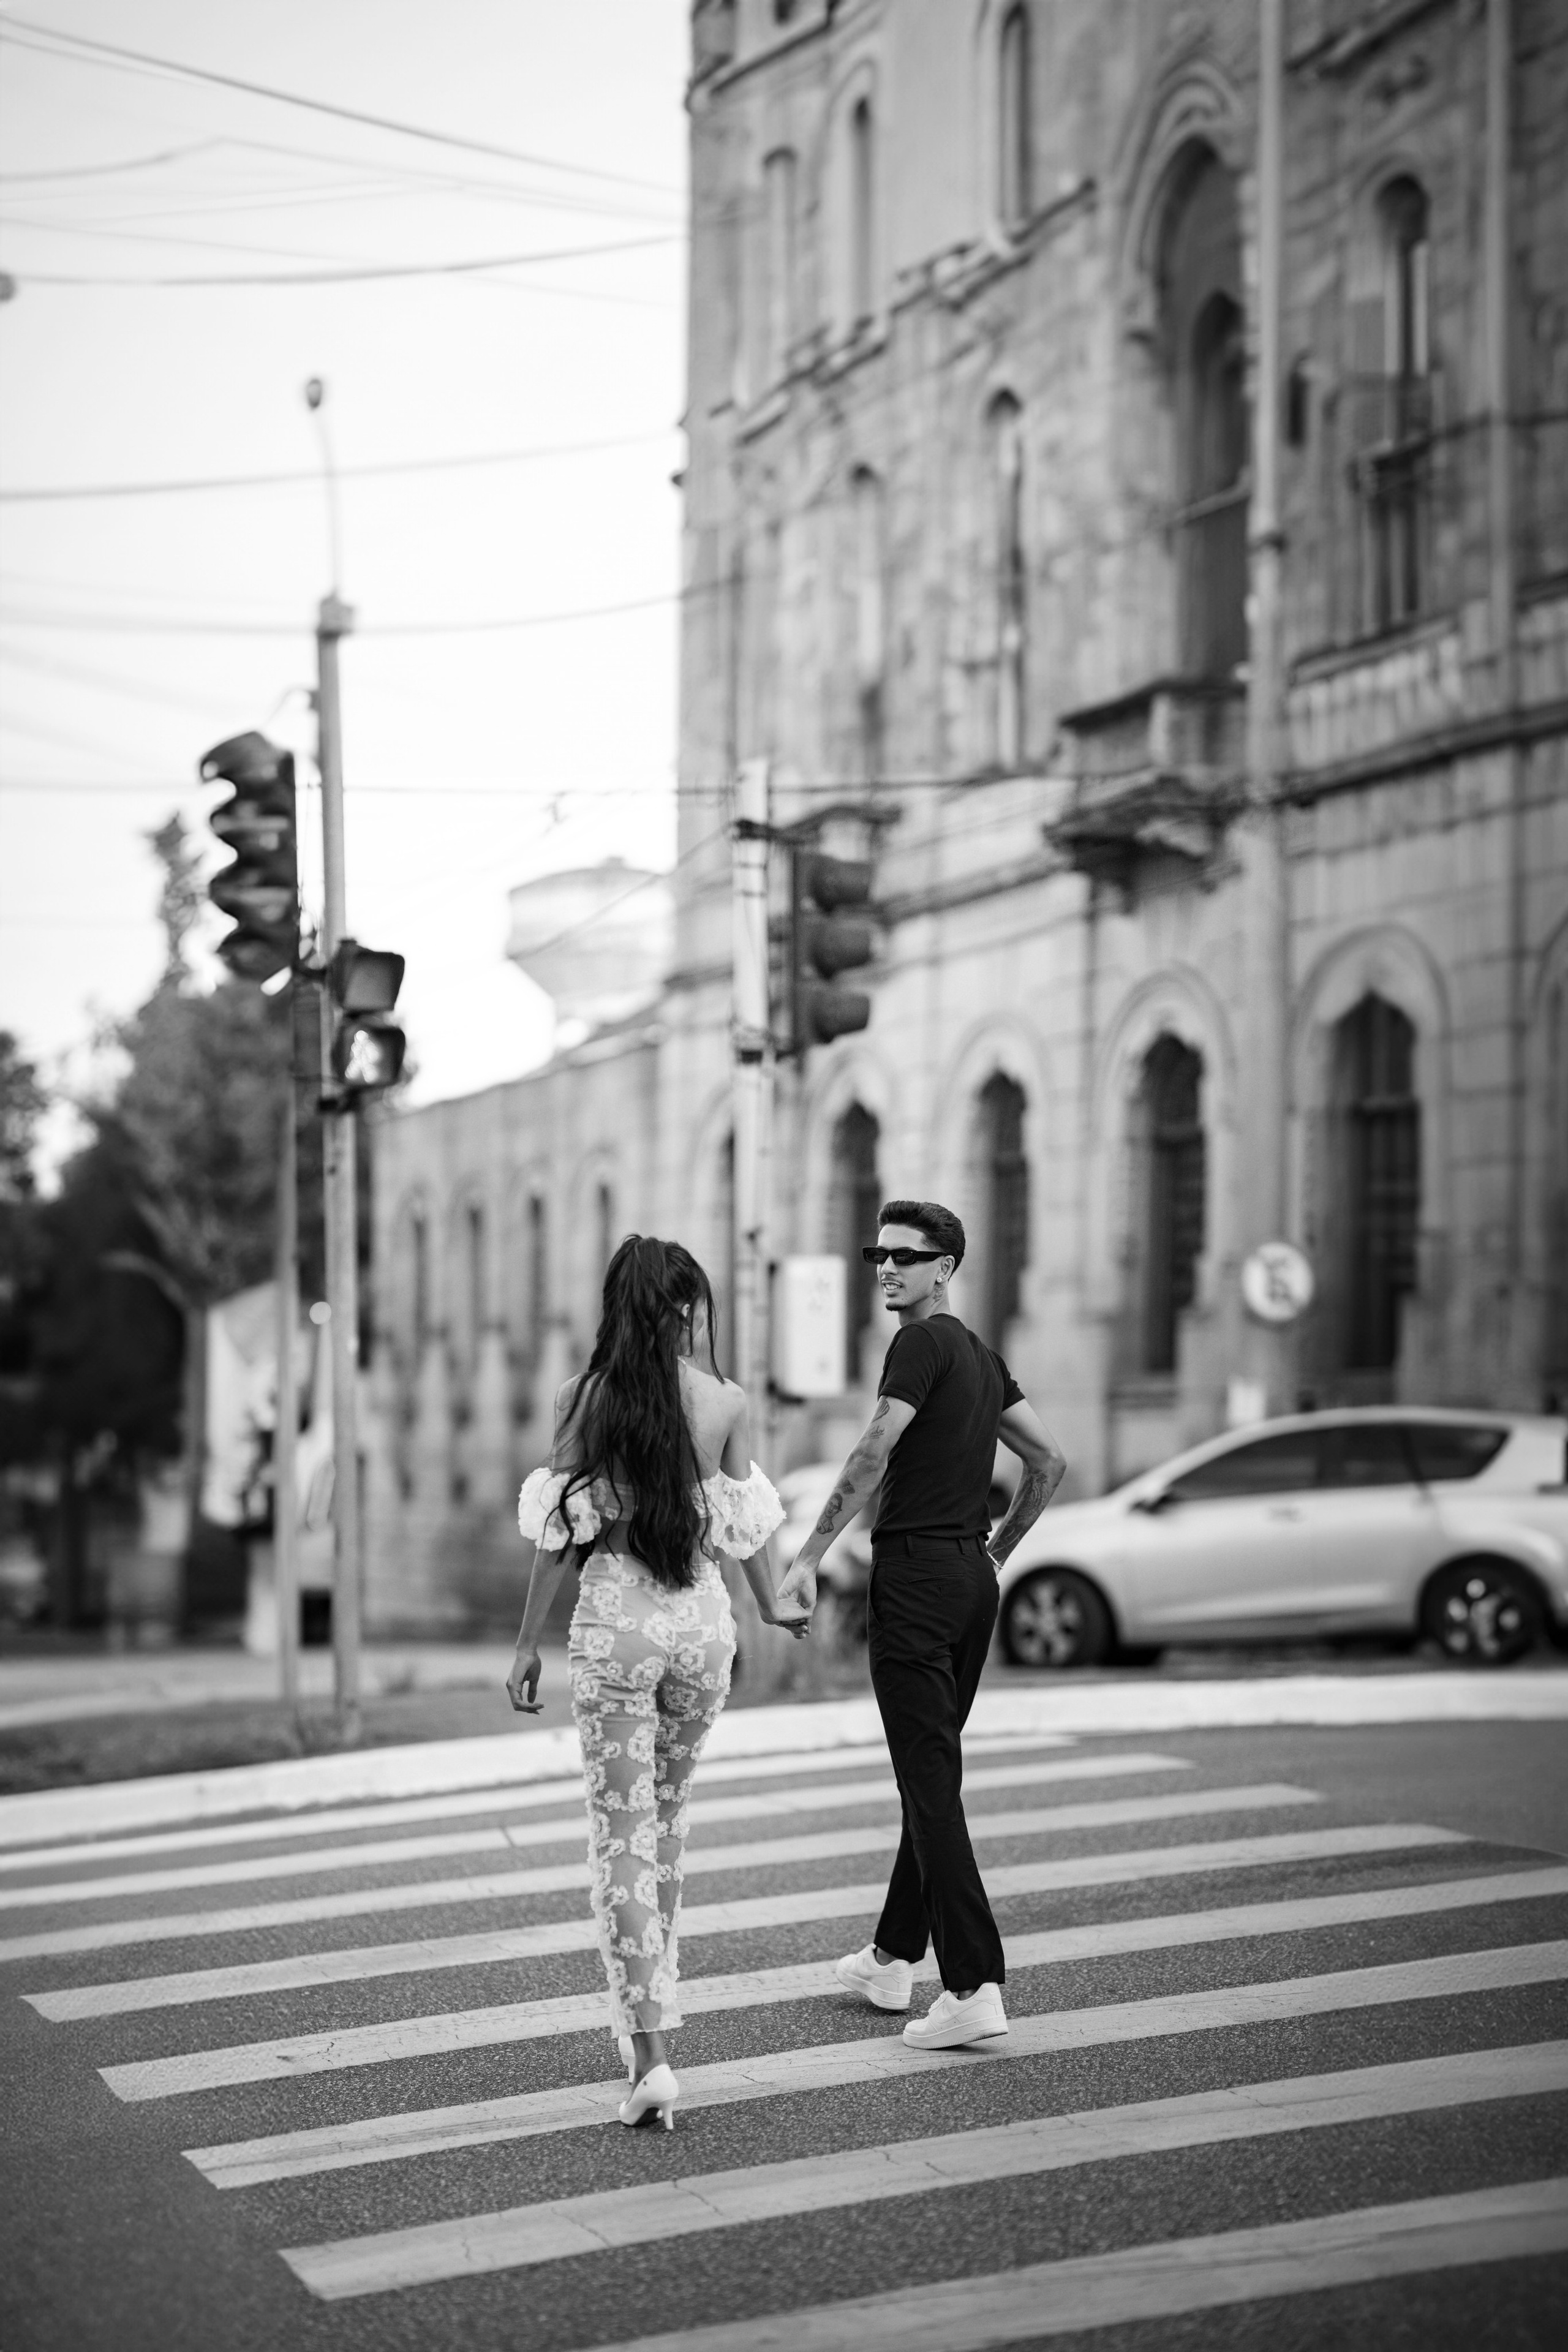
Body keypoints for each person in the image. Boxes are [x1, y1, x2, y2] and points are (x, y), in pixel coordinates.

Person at [505, 1234, 807, 2131]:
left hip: (618, 1627)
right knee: (669, 1833)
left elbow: (561, 1532)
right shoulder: (722, 1401)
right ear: (689, 1309)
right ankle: (657, 2029)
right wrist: (773, 1608)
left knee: (623, 1841)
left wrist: (526, 1646)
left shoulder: (584, 1398)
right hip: (702, 1631)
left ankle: (651, 2056)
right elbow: (744, 1526)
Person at [777, 1197, 1066, 2050]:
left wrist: (805, 1557)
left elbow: (872, 1449)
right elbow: (1048, 1462)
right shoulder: (979, 1356)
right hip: (969, 1579)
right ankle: (895, 1956)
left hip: (914, 1578)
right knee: (928, 1768)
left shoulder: (920, 1343)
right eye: (879, 1255)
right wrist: (996, 1552)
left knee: (930, 1776)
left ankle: (974, 1982)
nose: (887, 1269)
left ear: (945, 1268)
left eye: (906, 1256)